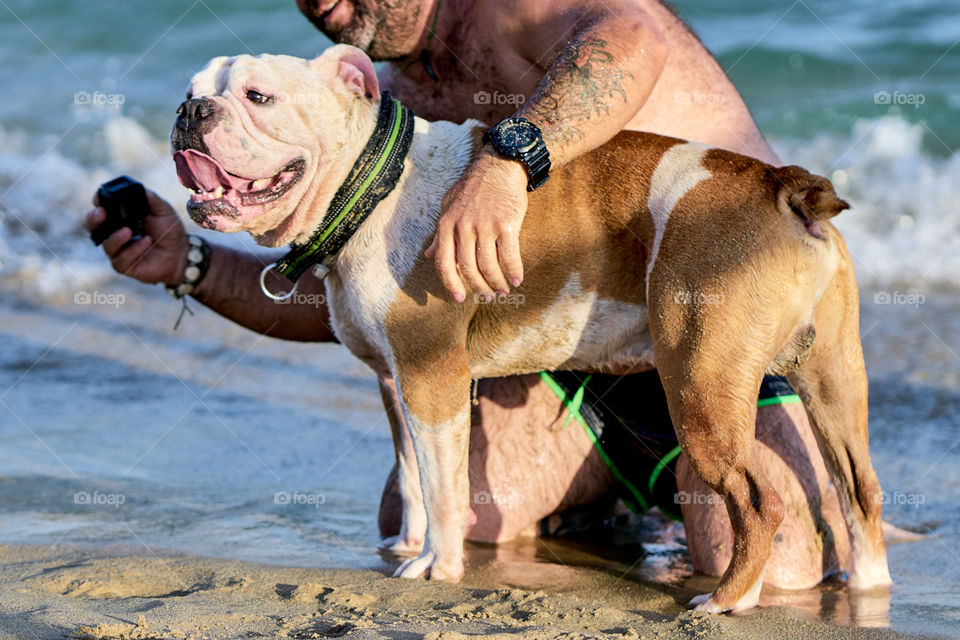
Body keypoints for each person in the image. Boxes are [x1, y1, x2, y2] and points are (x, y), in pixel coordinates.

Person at [85, 0, 850, 588]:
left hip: (716, 314)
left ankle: (761, 494)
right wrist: (191, 264)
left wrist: (508, 162)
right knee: (435, 518)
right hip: (562, 359)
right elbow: (374, 317)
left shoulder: (505, 8)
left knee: (776, 566)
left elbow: (633, 37)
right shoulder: (371, 106)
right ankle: (615, 509)